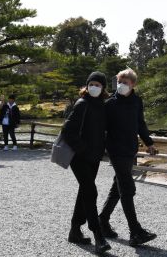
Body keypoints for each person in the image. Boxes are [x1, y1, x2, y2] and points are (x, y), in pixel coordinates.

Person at [99, 68, 157, 247]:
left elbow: (140, 123)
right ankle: (135, 231)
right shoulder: (109, 104)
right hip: (116, 150)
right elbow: (101, 128)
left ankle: (102, 221)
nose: (121, 85)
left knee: (117, 188)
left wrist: (149, 142)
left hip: (130, 149)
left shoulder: (137, 102)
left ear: (133, 84)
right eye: (119, 81)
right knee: (127, 188)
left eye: (125, 82)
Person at [61, 71, 111, 254]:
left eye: (98, 85)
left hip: (94, 158)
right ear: (87, 85)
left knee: (85, 191)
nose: (94, 87)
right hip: (79, 157)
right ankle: (98, 235)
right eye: (92, 84)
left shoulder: (102, 106)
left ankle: (75, 230)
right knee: (91, 191)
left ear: (103, 88)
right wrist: (81, 148)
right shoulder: (82, 103)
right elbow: (67, 130)